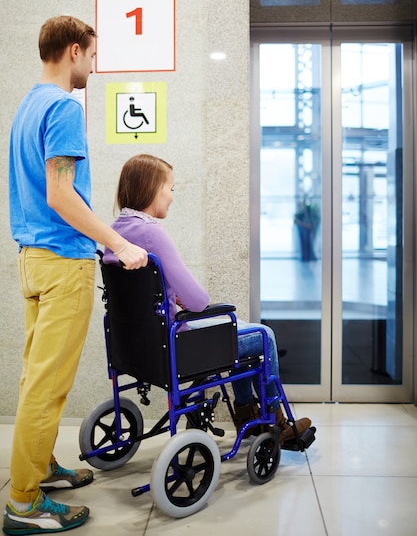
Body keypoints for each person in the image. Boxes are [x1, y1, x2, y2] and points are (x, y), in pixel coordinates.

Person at [4, 16, 148, 536]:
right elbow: (61, 194)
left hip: (32, 259)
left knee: (34, 377)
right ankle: (23, 504)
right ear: (72, 51)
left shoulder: (27, 105)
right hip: (63, 261)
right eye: (92, 54)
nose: (94, 64)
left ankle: (41, 468)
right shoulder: (64, 106)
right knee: (48, 385)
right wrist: (120, 242)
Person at [103, 154, 311, 443]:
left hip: (135, 347)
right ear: (152, 188)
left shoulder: (115, 231)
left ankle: (247, 415)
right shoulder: (150, 232)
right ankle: (276, 419)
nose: (172, 198)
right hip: (175, 344)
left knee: (238, 337)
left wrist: (171, 297)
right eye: (170, 189)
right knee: (263, 335)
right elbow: (199, 302)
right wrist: (185, 300)